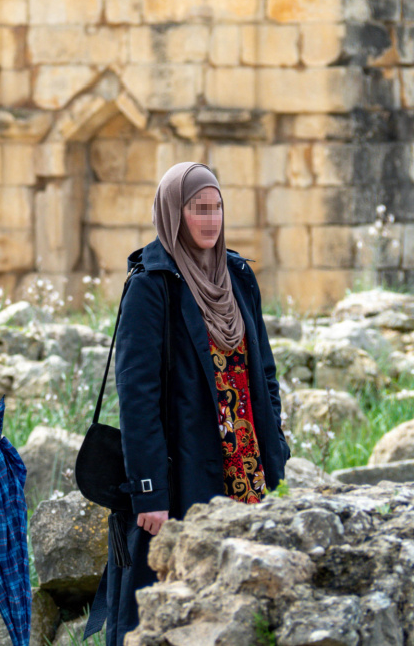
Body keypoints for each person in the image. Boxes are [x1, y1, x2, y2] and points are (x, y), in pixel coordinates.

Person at [86, 162, 289, 645]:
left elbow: (264, 371)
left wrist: (277, 445)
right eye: (199, 208)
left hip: (248, 468)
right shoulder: (151, 284)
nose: (211, 219)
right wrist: (149, 491)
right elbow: (138, 399)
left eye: (217, 207)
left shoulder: (238, 275)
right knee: (179, 605)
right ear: (174, 212)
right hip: (184, 473)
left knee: (243, 602)